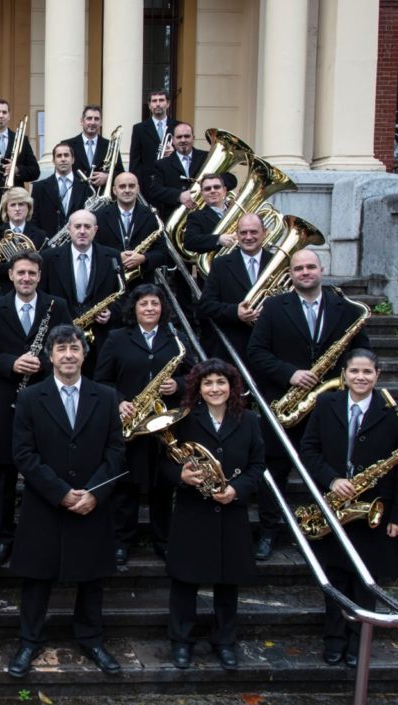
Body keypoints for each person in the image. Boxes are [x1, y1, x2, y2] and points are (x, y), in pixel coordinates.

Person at [8, 324, 125, 678]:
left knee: (91, 578)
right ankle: (29, 640)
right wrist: (59, 492)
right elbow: (23, 454)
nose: (69, 355)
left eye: (74, 348)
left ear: (84, 354)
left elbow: (116, 451)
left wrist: (94, 492)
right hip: (45, 502)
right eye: (61, 349)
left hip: (92, 502)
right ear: (51, 356)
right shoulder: (30, 398)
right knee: (36, 577)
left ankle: (90, 638)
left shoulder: (106, 396)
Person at [247, 249, 370, 561]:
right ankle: (269, 531)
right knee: (274, 471)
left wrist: (344, 379)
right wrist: (290, 373)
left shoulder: (347, 309)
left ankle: (324, 528)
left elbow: (362, 355)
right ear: (290, 273)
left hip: (329, 406)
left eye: (310, 267)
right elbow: (256, 352)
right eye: (298, 268)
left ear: (321, 269)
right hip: (283, 405)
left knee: (327, 469)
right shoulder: (274, 307)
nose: (305, 272)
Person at [300, 349, 398, 669]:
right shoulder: (326, 405)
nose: (361, 377)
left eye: (367, 372)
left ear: (378, 374)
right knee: (335, 579)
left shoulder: (394, 411)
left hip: (374, 510)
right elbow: (308, 450)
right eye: (354, 371)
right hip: (334, 505)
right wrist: (331, 479)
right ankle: (334, 639)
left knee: (365, 582)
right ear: (344, 374)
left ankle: (357, 641)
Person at [162, 358, 264, 672]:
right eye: (208, 383)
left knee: (227, 582)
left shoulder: (248, 420)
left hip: (230, 511)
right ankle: (181, 642)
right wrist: (181, 476)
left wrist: (237, 490)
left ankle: (224, 642)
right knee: (184, 582)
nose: (215, 388)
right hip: (193, 512)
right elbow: (162, 465)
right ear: (198, 387)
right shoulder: (183, 419)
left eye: (221, 382)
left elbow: (258, 466)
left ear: (232, 387)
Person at [0, 251, 70, 566]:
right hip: (6, 400)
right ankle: (4, 537)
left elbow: (70, 350)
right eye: (21, 273)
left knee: (48, 468)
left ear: (39, 276)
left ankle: (45, 536)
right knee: (3, 473)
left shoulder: (57, 306)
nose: (26, 278)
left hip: (46, 400)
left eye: (32, 273)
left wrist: (44, 362)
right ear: (11, 275)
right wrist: (12, 363)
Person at [95, 284, 190, 564]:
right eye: (144, 304)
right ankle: (122, 541)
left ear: (163, 309)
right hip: (130, 422)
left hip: (165, 423)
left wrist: (180, 384)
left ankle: (164, 540)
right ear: (134, 308)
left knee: (163, 483)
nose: (150, 308)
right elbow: (102, 380)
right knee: (126, 485)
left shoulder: (176, 338)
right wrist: (119, 401)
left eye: (155, 304)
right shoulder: (116, 338)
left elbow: (196, 376)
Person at [39, 209, 125, 373]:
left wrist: (111, 312)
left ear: (95, 230)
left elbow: (123, 294)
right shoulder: (49, 257)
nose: (82, 231)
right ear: (69, 229)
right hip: (61, 336)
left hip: (100, 339)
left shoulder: (112, 256)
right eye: (77, 226)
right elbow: (42, 296)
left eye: (87, 226)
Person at [197, 212, 274, 365]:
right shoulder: (221, 264)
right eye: (243, 232)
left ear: (265, 233)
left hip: (269, 346)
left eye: (254, 232)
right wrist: (235, 312)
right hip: (233, 347)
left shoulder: (276, 262)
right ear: (237, 235)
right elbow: (205, 306)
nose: (248, 237)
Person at [92, 171, 167, 285]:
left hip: (143, 285)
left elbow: (162, 253)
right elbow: (93, 250)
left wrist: (144, 258)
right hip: (109, 283)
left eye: (131, 186)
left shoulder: (151, 215)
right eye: (122, 186)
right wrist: (117, 257)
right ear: (114, 190)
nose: (127, 190)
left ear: (138, 189)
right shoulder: (99, 216)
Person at [0, 99, 41, 226]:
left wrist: (17, 170)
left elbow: (35, 171)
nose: (1, 115)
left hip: (15, 201)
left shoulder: (22, 139)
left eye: (4, 112)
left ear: (9, 115)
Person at [0, 187, 47, 293]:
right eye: (12, 205)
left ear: (28, 208)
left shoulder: (40, 235)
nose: (17, 209)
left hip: (31, 290)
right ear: (6, 209)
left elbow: (42, 266)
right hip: (3, 290)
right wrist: (17, 263)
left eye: (21, 204)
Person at [147, 123, 207, 221]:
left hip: (204, 215)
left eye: (187, 136)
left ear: (193, 138)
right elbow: (155, 190)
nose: (183, 140)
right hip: (174, 216)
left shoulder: (206, 157)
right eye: (179, 137)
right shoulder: (162, 164)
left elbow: (230, 179)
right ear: (173, 140)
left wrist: (213, 180)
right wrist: (179, 195)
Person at [30, 142, 90, 237]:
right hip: (48, 245)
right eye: (59, 156)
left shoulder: (85, 186)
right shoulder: (39, 187)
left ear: (73, 160)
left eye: (66, 155)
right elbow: (33, 219)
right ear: (53, 161)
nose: (63, 159)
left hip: (78, 242)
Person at [64, 104, 123, 190]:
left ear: (101, 122)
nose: (92, 122)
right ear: (82, 121)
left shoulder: (110, 145)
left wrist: (108, 177)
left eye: (96, 119)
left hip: (100, 199)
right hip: (75, 196)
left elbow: (121, 172)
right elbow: (60, 172)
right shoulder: (68, 145)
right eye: (89, 118)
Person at [128, 90, 178, 193]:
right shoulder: (139, 128)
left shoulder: (178, 126)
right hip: (148, 183)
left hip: (172, 180)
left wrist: (175, 152)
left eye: (161, 100)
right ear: (150, 106)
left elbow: (186, 153)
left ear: (168, 104)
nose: (158, 104)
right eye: (154, 101)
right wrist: (134, 184)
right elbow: (135, 160)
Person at [182, 173, 238, 255]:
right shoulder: (196, 216)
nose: (212, 190)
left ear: (224, 190)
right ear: (202, 193)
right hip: (219, 264)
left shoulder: (237, 212)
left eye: (217, 187)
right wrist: (218, 239)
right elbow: (189, 242)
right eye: (208, 189)